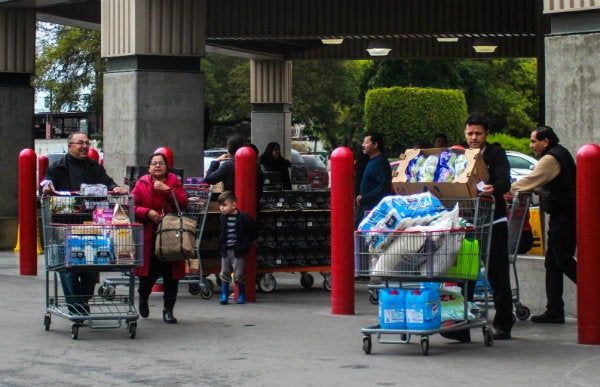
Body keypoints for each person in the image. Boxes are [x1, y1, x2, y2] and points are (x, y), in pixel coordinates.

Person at [41, 132, 128, 318]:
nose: (84, 146)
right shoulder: (57, 168)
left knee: (91, 267)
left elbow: (108, 182)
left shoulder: (94, 167)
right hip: (63, 226)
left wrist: (116, 187)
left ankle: (81, 302)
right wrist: (47, 188)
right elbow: (46, 184)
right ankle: (77, 309)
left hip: (90, 226)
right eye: (80, 143)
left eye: (87, 143)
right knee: (67, 269)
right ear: (70, 145)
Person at [444, 114, 514, 341]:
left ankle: (504, 322)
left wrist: (494, 187)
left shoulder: (496, 153)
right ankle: (461, 325)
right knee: (465, 275)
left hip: (493, 222)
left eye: (478, 133)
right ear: (465, 133)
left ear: (486, 134)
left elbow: (505, 180)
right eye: (470, 133)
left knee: (497, 273)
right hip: (468, 222)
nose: (474, 138)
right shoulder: (459, 154)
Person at [510, 126, 576, 324]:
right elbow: (544, 183)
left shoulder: (550, 158)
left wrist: (509, 188)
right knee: (553, 263)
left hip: (565, 216)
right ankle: (554, 309)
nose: (531, 146)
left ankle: (592, 291)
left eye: (533, 142)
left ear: (545, 142)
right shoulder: (559, 154)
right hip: (563, 215)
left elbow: (532, 180)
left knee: (562, 260)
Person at [132, 152, 189, 324]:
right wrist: (147, 212)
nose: (157, 166)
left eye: (161, 163)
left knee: (171, 276)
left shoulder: (174, 182)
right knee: (147, 276)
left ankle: (168, 310)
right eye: (154, 163)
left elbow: (183, 204)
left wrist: (168, 191)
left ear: (166, 167)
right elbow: (131, 206)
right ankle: (143, 298)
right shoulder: (141, 184)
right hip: (149, 237)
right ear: (149, 167)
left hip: (171, 237)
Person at [217, 190, 257, 305]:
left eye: (224, 205)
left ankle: (241, 294)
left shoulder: (243, 217)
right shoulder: (222, 217)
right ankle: (224, 295)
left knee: (239, 274)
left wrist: (250, 241)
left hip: (238, 250)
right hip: (226, 249)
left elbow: (253, 228)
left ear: (233, 205)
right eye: (220, 205)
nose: (222, 208)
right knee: (224, 272)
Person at [355, 132, 392, 227]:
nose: (363, 145)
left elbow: (383, 186)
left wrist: (364, 198)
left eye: (366, 143)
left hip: (374, 211)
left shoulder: (380, 162)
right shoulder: (371, 160)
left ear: (375, 145)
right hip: (367, 209)